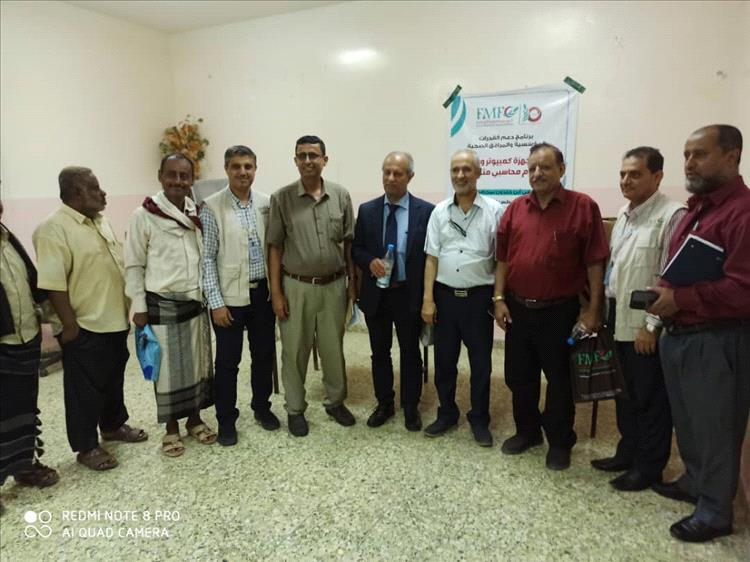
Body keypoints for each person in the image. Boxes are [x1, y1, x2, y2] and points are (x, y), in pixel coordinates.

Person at [648, 124, 750, 543]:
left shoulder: (742, 212)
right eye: (687, 155)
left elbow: (743, 290)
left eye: (700, 154)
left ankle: (715, 512)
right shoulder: (697, 209)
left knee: (716, 428)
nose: (689, 163)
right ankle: (694, 481)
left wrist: (681, 298)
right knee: (689, 422)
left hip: (717, 339)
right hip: (681, 335)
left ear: (732, 157)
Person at [494, 142, 609, 470]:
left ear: (561, 169)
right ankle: (527, 432)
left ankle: (559, 441)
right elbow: (502, 259)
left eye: (545, 167)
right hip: (518, 309)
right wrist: (499, 299)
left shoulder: (583, 207)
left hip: (560, 312)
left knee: (560, 380)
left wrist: (593, 310)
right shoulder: (516, 209)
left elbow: (595, 262)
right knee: (519, 376)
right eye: (531, 168)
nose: (537, 173)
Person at [33, 167, 148, 471]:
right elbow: (52, 283)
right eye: (95, 188)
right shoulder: (53, 229)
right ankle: (86, 447)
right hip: (84, 325)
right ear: (76, 192)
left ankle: (113, 425)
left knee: (113, 379)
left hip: (113, 319)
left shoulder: (100, 221)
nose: (103, 193)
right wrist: (70, 326)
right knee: (83, 390)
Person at [590, 147, 685, 490]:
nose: (626, 180)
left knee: (650, 398)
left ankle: (648, 467)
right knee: (624, 392)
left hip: (647, 322)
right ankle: (626, 452)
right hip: (617, 315)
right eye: (622, 174)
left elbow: (671, 276)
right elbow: (616, 267)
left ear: (657, 177)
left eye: (635, 174)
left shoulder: (673, 215)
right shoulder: (624, 214)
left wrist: (651, 326)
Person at [124, 154, 215, 457]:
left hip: (194, 301)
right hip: (162, 303)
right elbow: (134, 264)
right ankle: (171, 427)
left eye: (184, 175)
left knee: (195, 366)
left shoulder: (196, 211)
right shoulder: (144, 215)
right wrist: (138, 306)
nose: (178, 181)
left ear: (192, 179)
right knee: (167, 371)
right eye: (172, 174)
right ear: (160, 176)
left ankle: (195, 419)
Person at [267, 135, 357, 437]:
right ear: (295, 160)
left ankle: (335, 402)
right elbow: (275, 247)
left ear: (324, 160)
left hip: (334, 286)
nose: (308, 161)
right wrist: (276, 293)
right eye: (302, 155)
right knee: (294, 350)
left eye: (313, 155)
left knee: (334, 349)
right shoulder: (282, 199)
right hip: (296, 287)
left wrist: (352, 285)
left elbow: (348, 245)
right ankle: (295, 409)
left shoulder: (341, 196)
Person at [421, 149, 504, 447]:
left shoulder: (495, 211)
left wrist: (498, 298)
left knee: (481, 364)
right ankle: (446, 414)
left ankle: (479, 418)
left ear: (478, 173)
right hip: (445, 298)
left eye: (467, 169)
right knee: (444, 361)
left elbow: (502, 261)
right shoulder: (439, 212)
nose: (460, 175)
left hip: (478, 299)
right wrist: (428, 299)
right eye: (455, 169)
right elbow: (431, 258)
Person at [200, 145, 279, 446]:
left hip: (262, 295)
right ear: (227, 170)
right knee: (227, 362)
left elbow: (274, 249)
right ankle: (226, 420)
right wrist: (216, 303)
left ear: (255, 169)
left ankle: (262, 407)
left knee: (263, 356)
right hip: (229, 299)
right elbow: (207, 258)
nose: (243, 172)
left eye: (248, 166)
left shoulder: (266, 203)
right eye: (236, 166)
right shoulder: (212, 207)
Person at [352, 152, 434, 431]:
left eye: (397, 173)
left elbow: (431, 256)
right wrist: (369, 262)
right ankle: (384, 403)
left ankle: (410, 406)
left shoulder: (426, 212)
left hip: (408, 294)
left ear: (410, 176)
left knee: (410, 352)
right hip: (377, 294)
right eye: (386, 172)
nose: (390, 178)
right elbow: (356, 249)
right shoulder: (367, 210)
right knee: (379, 352)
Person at [0, 199, 59, 513]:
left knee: (22, 410)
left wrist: (55, 321)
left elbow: (30, 284)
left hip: (24, 339)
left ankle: (24, 466)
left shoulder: (8, 238)